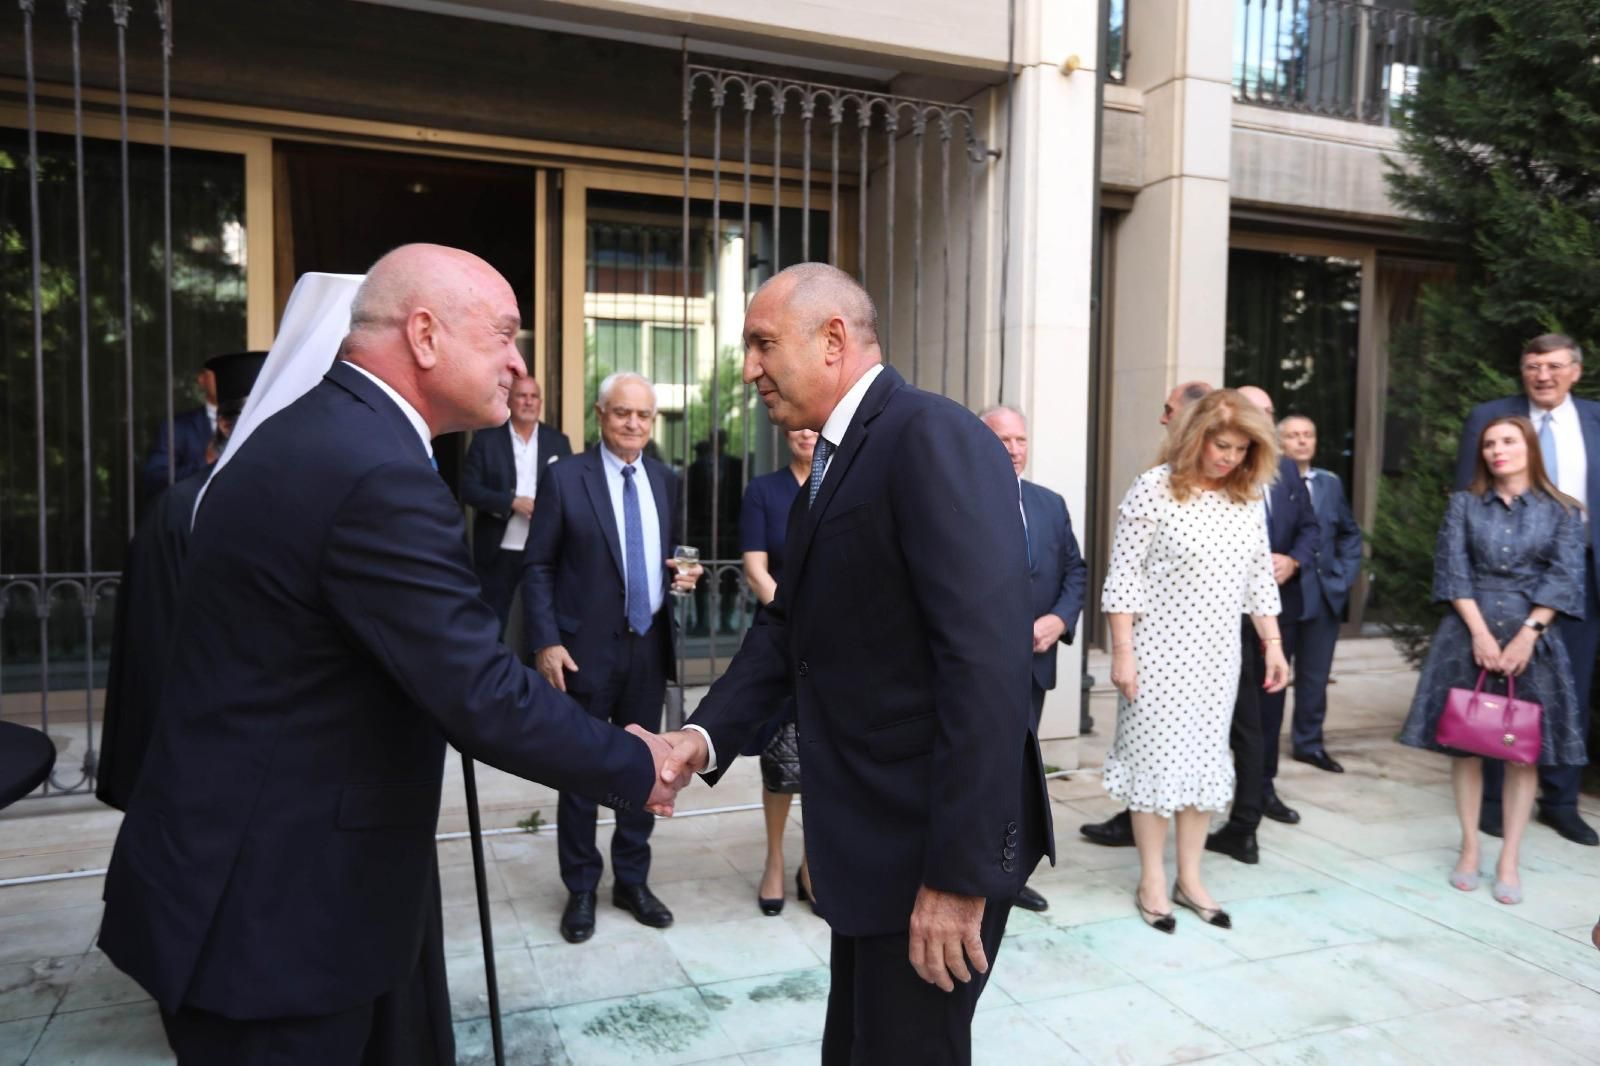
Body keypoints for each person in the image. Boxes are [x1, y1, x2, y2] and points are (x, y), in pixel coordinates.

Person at [99, 246, 680, 1066]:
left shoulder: (324, 432)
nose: (520, 365)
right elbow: (479, 690)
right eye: (505, 335)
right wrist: (636, 762)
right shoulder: (374, 470)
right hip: (271, 920)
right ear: (425, 335)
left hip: (264, 886)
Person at [654, 263, 1050, 1066]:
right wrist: (699, 738)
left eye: (763, 344)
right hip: (872, 846)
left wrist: (958, 876)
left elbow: (985, 666)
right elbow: (787, 630)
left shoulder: (930, 436)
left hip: (930, 852)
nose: (750, 369)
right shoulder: (839, 462)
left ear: (833, 339)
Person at [522, 371, 702, 944]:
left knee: (644, 765)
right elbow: (538, 565)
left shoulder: (665, 479)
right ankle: (580, 886)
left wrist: (685, 575)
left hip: (648, 646)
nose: (633, 423)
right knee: (578, 768)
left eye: (644, 415)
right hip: (581, 651)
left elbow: (674, 553)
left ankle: (631, 880)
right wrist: (546, 640)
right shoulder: (565, 478)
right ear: (600, 414)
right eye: (622, 412)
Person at [1101, 389, 1289, 933]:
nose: (1230, 457)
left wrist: (1273, 644)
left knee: (1204, 766)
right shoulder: (1154, 488)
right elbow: (1124, 575)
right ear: (1194, 437)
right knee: (1155, 767)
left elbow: (1259, 578)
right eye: (1221, 445)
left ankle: (1190, 878)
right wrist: (1122, 653)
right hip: (1156, 656)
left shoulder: (1248, 496)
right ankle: (1152, 882)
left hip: (1217, 659)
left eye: (1241, 448)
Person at [1400, 416, 1587, 904]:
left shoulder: (1563, 511)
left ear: (1530, 448)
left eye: (1507, 441)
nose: (1497, 450)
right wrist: (1480, 634)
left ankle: (1509, 859)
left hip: (1533, 637)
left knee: (1522, 750)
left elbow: (1564, 577)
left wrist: (1527, 636)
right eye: (1489, 444)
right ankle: (1469, 848)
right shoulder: (1463, 504)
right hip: (1468, 633)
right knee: (1466, 745)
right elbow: (1452, 570)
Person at [98, 351, 267, 812]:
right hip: (200, 733)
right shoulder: (178, 509)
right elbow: (156, 641)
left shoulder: (279, 497)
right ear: (227, 425)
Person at [1455, 334, 1600, 847]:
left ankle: (1560, 803)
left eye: (1554, 366)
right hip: (1504, 576)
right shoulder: (1490, 418)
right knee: (1499, 686)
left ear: (1575, 371)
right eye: (1533, 366)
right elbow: (1467, 496)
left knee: (1567, 690)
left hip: (1580, 575)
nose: (1543, 375)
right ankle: (1494, 802)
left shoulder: (1596, 419)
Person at [980, 404, 1087, 913]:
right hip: (977, 667)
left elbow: (1075, 572)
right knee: (978, 771)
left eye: (1020, 439)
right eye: (1002, 439)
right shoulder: (960, 500)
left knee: (1017, 772)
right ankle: (969, 870)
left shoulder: (1050, 503)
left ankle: (1008, 874)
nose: (1014, 449)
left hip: (1033, 667)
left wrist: (1059, 620)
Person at [739, 428, 819, 915]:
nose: (806, 433)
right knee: (779, 757)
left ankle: (812, 865)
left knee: (822, 758)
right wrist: (796, 620)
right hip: (779, 636)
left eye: (815, 427)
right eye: (798, 427)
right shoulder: (763, 491)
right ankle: (773, 860)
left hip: (834, 646)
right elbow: (755, 569)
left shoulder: (839, 481)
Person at [1279, 413, 1364, 772]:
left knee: (1315, 678)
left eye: (1308, 435)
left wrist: (1342, 577)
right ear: (1279, 443)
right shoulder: (1268, 484)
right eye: (1293, 435)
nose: (1302, 441)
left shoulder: (1330, 483)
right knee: (1270, 677)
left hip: (1323, 596)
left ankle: (1309, 744)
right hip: (1280, 599)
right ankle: (1258, 746)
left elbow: (1349, 533)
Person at [460, 375, 573, 630]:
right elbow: (469, 490)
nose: (528, 402)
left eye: (534, 397)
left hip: (545, 546)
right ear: (510, 400)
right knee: (493, 619)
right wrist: (511, 502)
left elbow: (571, 490)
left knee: (543, 619)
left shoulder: (558, 441)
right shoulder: (486, 439)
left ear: (540, 402)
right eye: (522, 396)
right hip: (498, 547)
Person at [139, 365, 219, 503]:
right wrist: (205, 461)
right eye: (217, 372)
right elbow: (155, 479)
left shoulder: (250, 421)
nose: (225, 378)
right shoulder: (176, 427)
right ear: (202, 379)